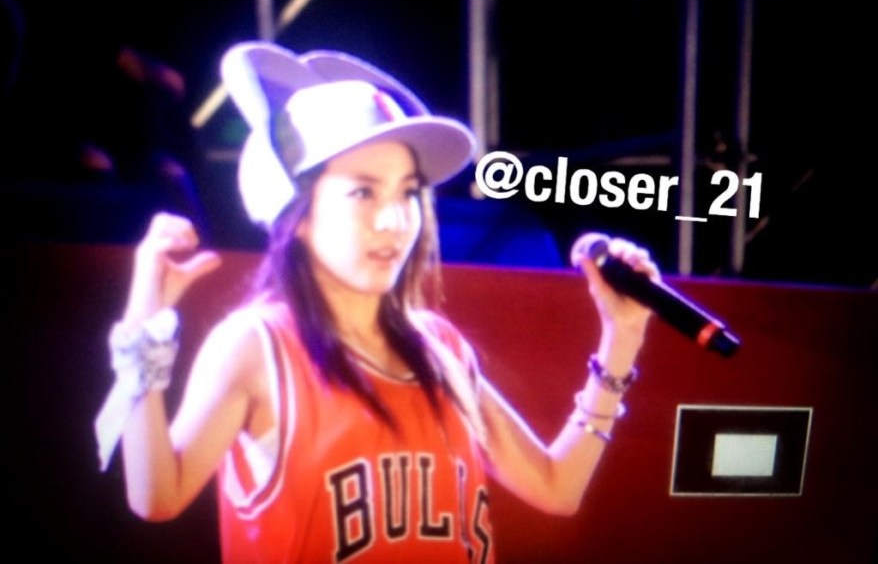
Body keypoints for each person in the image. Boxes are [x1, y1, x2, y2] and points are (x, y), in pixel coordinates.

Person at [94, 41, 659, 563]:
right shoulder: (256, 346)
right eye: (363, 191)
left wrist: (622, 337)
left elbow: (557, 487)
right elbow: (157, 496)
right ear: (297, 216)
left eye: (408, 192)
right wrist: (142, 332)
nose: (393, 219)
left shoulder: (441, 348)